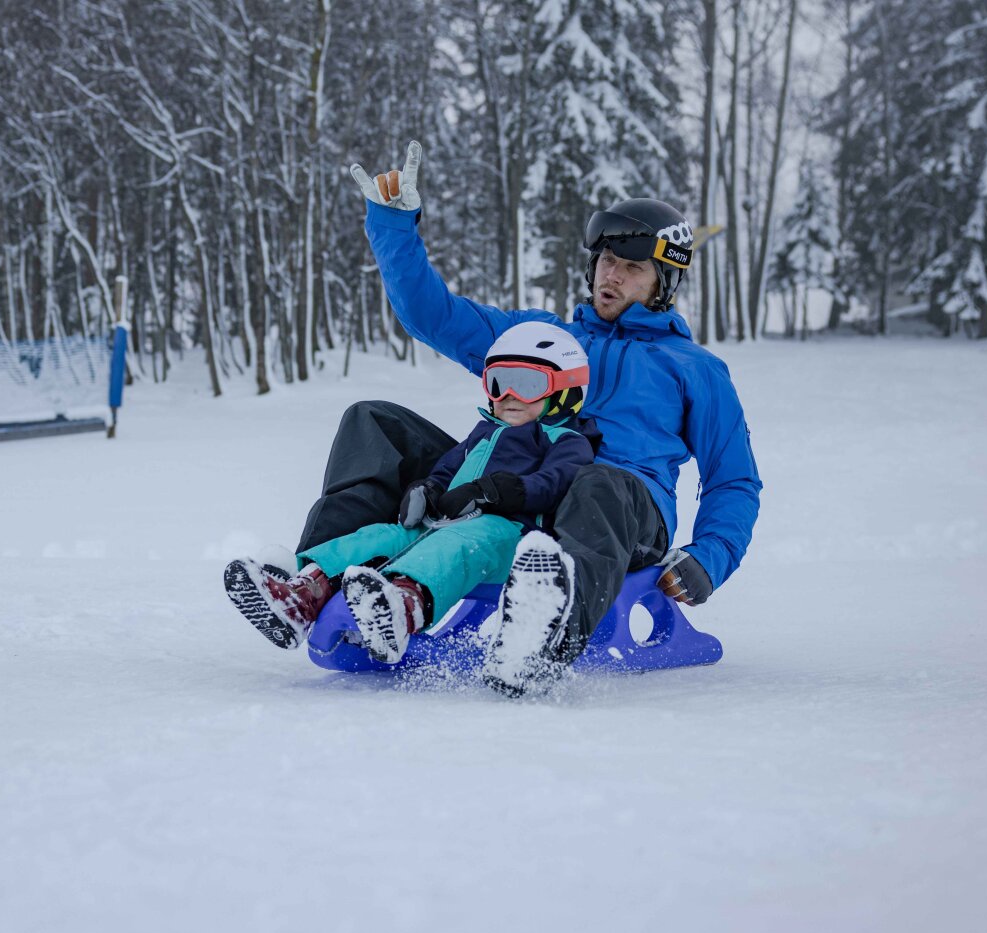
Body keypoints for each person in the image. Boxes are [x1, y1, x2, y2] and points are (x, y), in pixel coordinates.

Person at [299, 140, 761, 695]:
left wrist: (710, 557)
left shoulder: (693, 368)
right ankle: (313, 586)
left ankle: (542, 644)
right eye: (607, 261)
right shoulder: (545, 339)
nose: (612, 275)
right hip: (519, 490)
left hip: (622, 511)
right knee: (374, 422)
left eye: (633, 267)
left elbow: (734, 478)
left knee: (598, 480)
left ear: (664, 281)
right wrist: (394, 228)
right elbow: (436, 317)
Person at [225, 322, 598, 665]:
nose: (510, 395)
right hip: (443, 524)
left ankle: (402, 608)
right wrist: (428, 489)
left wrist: (499, 491)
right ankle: (302, 596)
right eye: (498, 383)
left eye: (528, 384)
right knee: (380, 536)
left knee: (458, 546)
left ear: (565, 391)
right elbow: (447, 469)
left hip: (505, 536)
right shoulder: (483, 432)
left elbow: (558, 483)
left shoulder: (567, 440)